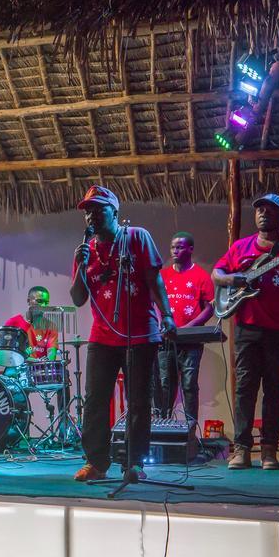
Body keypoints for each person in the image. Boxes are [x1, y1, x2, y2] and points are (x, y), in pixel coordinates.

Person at [70, 186, 175, 482]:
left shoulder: (137, 237)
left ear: (114, 211)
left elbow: (155, 281)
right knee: (95, 401)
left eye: (98, 209)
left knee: (139, 402)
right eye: (87, 211)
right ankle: (96, 463)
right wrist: (80, 266)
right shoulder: (85, 250)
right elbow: (78, 298)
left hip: (140, 335)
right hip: (102, 336)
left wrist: (167, 315)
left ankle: (134, 463)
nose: (91, 216)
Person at [212, 193, 279, 470]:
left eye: (270, 210)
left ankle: (269, 450)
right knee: (245, 387)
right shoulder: (240, 247)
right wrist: (232, 279)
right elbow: (217, 274)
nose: (263, 214)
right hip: (247, 327)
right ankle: (242, 449)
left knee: (275, 389)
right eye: (260, 210)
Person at [157, 231, 215, 430]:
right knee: (166, 385)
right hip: (166, 340)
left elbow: (209, 307)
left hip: (190, 341)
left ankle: (190, 430)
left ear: (190, 249)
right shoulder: (163, 275)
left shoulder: (201, 276)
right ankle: (163, 427)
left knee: (189, 384)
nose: (175, 251)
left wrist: (189, 328)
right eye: (173, 247)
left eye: (180, 247)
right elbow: (154, 302)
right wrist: (162, 323)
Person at [3, 286, 60, 361]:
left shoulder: (50, 327)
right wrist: (35, 361)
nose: (43, 305)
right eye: (39, 301)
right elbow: (7, 355)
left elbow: (52, 354)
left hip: (41, 367)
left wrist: (48, 360)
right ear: (28, 301)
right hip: (18, 367)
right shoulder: (13, 323)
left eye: (46, 303)